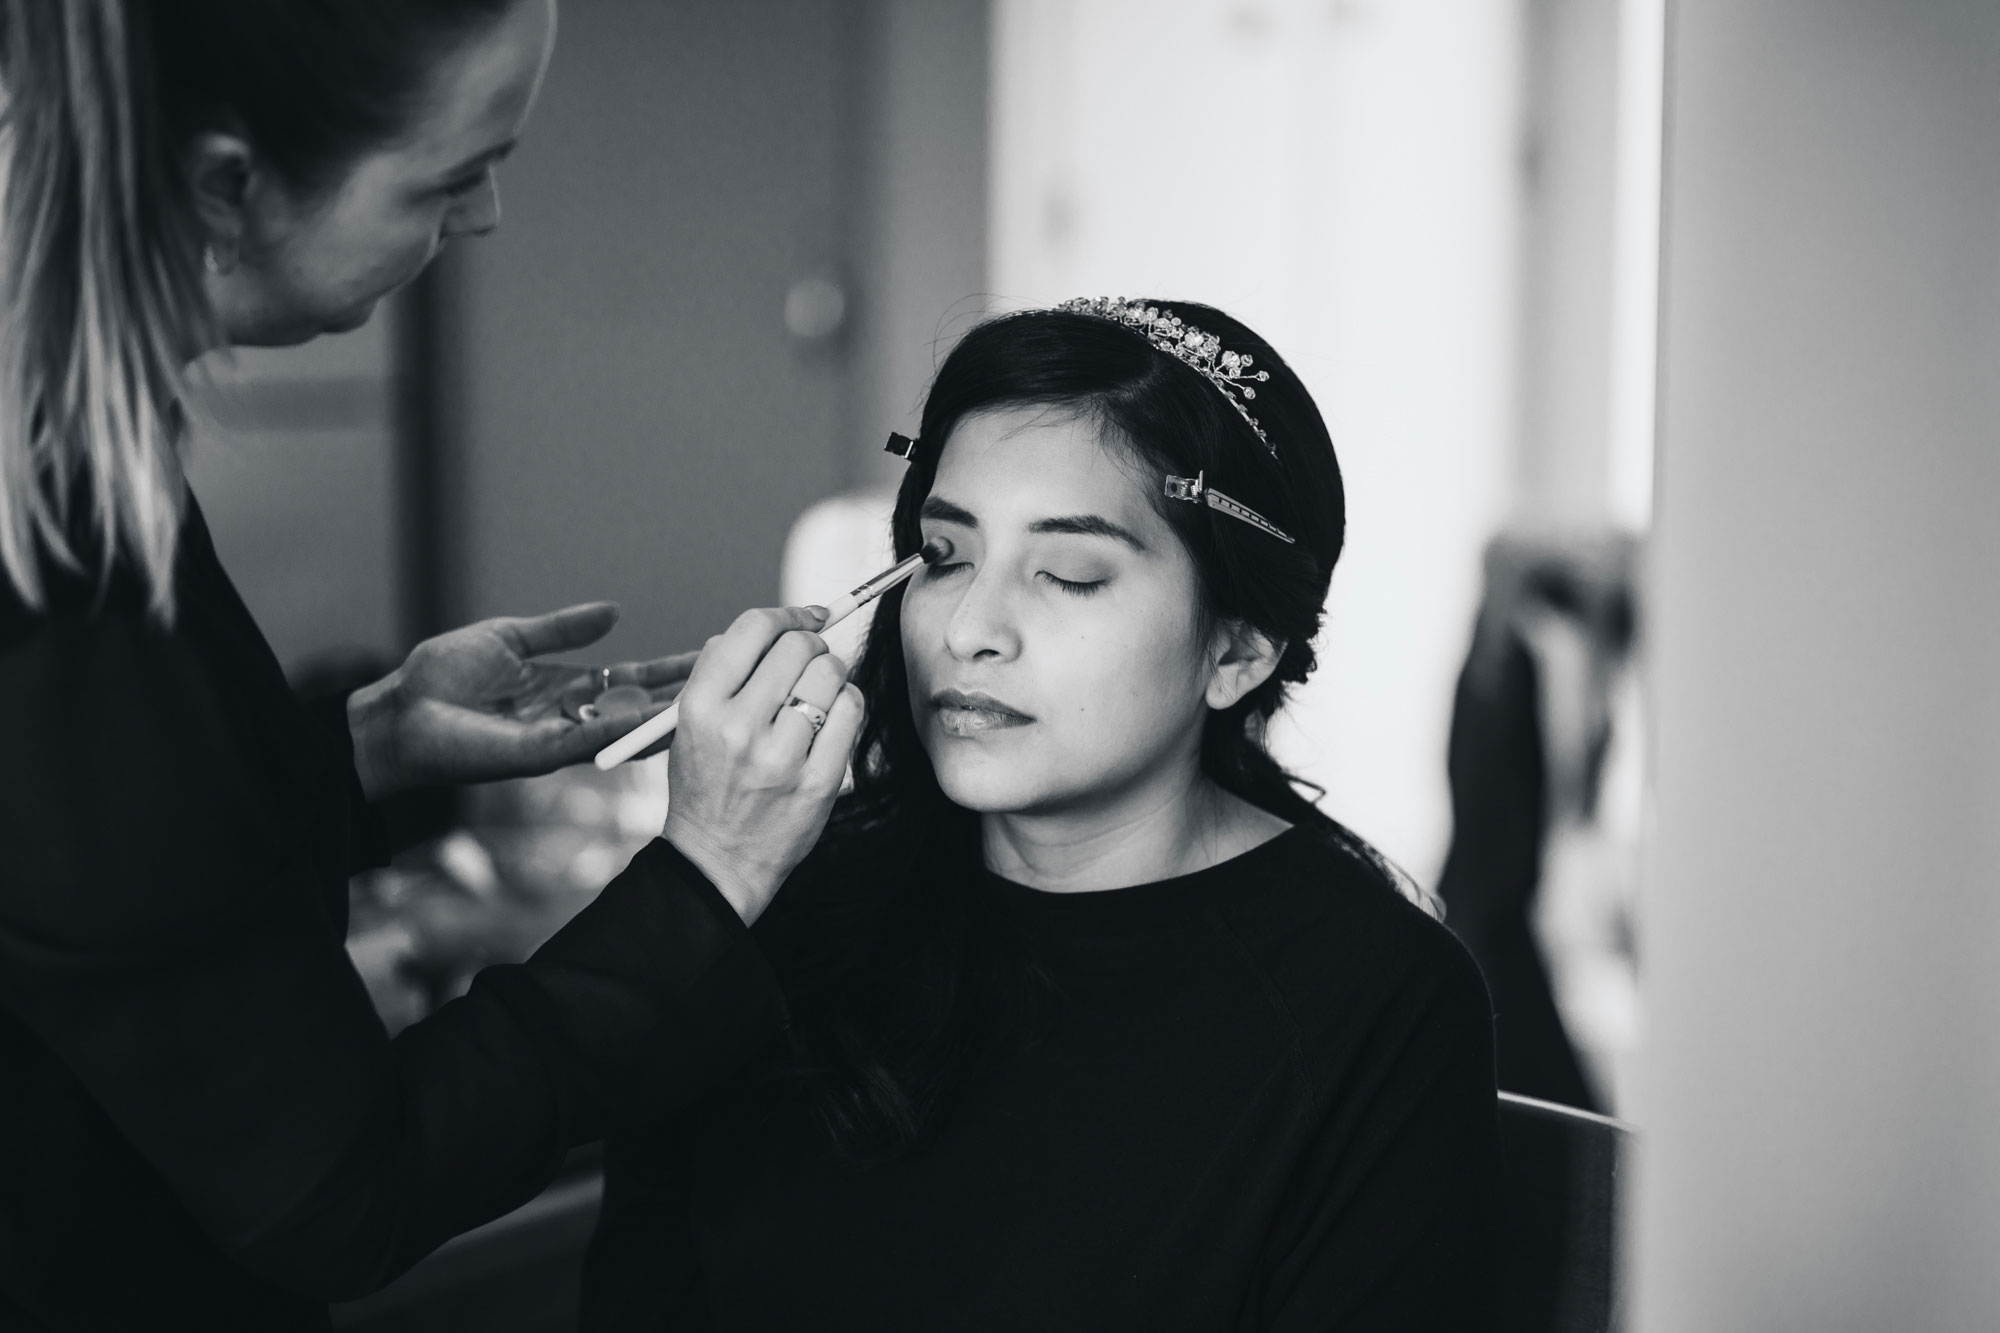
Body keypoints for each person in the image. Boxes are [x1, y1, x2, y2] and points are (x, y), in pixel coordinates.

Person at [0, 3, 859, 1328]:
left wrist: (363, 746)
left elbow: (102, 877)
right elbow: (336, 1192)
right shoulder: (58, 571)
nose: (486, 218)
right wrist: (705, 881)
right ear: (227, 183)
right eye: (453, 176)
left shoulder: (72, 471)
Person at [582, 299, 1503, 1332]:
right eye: (940, 555)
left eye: (1067, 574)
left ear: (1237, 649)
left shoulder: (1373, 1001)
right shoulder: (775, 907)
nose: (971, 628)